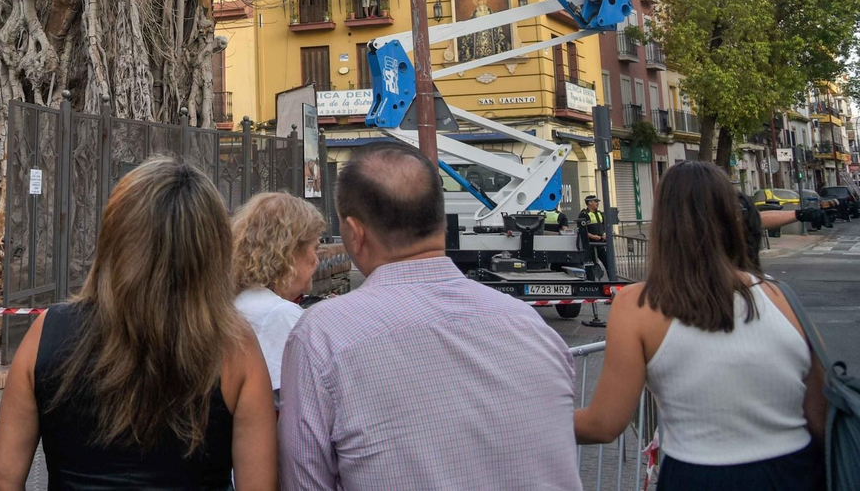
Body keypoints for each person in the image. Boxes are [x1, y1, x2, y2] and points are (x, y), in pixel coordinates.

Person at [279, 143, 579, 491]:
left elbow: (304, 481)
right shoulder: (531, 326)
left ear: (354, 232)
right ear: (441, 220)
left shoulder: (323, 337)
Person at [0, 157, 277, 491]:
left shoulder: (47, 332)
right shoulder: (236, 348)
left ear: (115, 237)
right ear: (212, 251)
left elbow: (2, 478)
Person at [575, 161, 825, 490]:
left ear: (663, 224)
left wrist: (530, 416)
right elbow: (821, 413)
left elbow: (604, 424)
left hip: (698, 474)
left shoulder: (637, 304)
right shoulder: (780, 295)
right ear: (731, 218)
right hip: (796, 470)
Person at [231, 192, 323, 397]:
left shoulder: (241, 299)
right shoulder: (279, 314)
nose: (317, 260)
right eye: (315, 248)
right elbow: (295, 403)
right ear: (289, 252)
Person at [578, 194, 608, 279]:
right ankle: (592, 284)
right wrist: (593, 236)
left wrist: (604, 234)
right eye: (596, 202)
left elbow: (604, 227)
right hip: (590, 245)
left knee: (608, 263)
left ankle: (612, 280)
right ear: (590, 203)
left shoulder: (599, 214)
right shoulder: (583, 214)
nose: (597, 203)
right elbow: (581, 230)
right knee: (590, 266)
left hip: (601, 244)